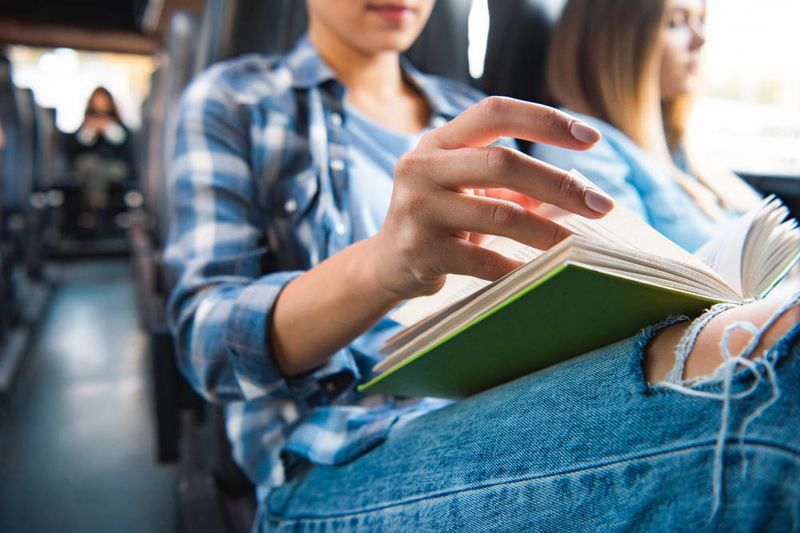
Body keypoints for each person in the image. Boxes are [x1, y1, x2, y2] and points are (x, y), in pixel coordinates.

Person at [164, 0, 800, 529]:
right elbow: (206, 347)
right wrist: (384, 266)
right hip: (333, 457)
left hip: (509, 398)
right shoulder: (236, 100)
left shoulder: (468, 113)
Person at [532, 0, 763, 253]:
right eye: (675, 23)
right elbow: (634, 272)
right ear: (617, 41)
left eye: (700, 20)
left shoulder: (676, 146)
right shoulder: (578, 145)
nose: (700, 38)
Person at [64, 86, 134, 231]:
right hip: (89, 168)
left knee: (97, 169)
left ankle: (93, 210)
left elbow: (125, 149)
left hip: (113, 168)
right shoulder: (86, 125)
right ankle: (98, 206)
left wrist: (109, 129)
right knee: (92, 166)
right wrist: (90, 131)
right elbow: (74, 149)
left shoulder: (118, 127)